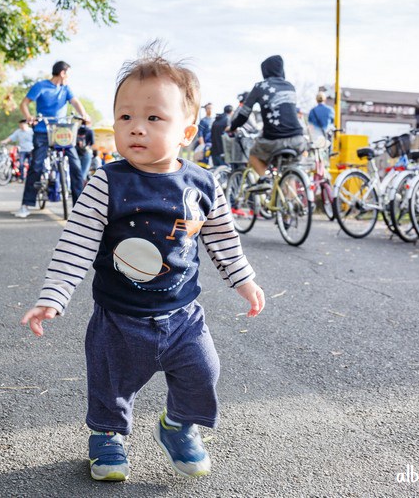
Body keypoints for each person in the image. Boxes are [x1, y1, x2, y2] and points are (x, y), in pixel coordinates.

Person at [20, 46, 265, 482]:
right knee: (110, 386)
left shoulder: (203, 184)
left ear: (186, 132)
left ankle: (178, 426)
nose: (136, 128)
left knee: (203, 371)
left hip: (183, 315)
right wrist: (53, 296)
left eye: (154, 118)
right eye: (125, 117)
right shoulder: (106, 182)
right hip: (119, 318)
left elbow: (223, 238)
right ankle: (107, 436)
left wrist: (243, 280)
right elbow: (76, 241)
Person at [16, 60, 91, 218]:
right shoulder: (41, 86)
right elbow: (24, 103)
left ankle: (79, 209)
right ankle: (26, 205)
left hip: (62, 132)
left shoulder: (66, 89)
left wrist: (84, 115)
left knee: (76, 166)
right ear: (62, 73)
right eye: (68, 74)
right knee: (36, 165)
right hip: (43, 130)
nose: (68, 77)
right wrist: (29, 117)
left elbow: (76, 102)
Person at [229, 54, 307, 191]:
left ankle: (264, 178)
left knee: (253, 155)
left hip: (274, 139)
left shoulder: (260, 86)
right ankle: (292, 208)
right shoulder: (290, 86)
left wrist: (233, 127)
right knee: (289, 173)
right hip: (298, 139)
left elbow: (244, 113)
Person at [0, 119, 34, 183]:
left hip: (31, 150)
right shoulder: (18, 132)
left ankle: (31, 178)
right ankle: (21, 178)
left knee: (31, 164)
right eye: (20, 125)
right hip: (22, 150)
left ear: (26, 124)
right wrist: (4, 141)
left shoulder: (31, 131)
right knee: (21, 163)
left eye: (22, 124)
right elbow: (11, 137)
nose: (21, 126)